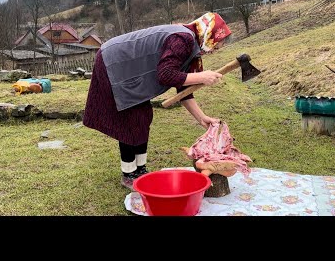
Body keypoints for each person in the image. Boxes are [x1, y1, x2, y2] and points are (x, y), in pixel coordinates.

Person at [83, 12, 232, 190]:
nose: (218, 48)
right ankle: (129, 174)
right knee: (131, 119)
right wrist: (202, 76)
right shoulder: (183, 40)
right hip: (115, 62)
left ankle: (140, 170)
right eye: (219, 43)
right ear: (211, 34)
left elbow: (183, 89)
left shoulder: (191, 47)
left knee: (142, 117)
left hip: (128, 66)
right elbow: (166, 75)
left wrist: (202, 118)